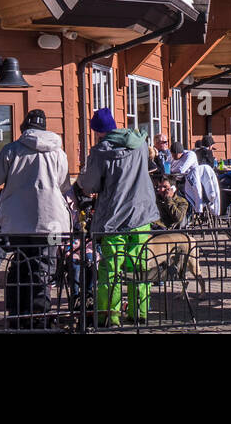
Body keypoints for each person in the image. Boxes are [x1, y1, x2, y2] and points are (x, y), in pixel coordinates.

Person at [0, 108, 71, 328]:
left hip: (18, 222)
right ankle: (39, 318)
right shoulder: (59, 153)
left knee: (20, 265)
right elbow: (63, 185)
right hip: (52, 223)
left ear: (25, 128)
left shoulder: (12, 149)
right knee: (44, 268)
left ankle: (17, 315)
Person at [76, 108, 159, 328]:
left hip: (113, 218)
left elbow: (90, 185)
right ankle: (140, 313)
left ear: (98, 131)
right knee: (139, 266)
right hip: (141, 215)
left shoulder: (100, 151)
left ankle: (108, 316)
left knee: (110, 270)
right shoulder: (140, 143)